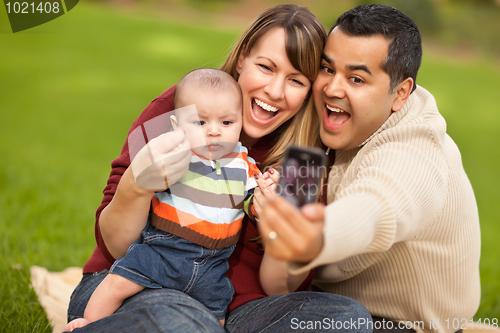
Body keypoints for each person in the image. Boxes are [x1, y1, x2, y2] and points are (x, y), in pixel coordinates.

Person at [66, 4, 372, 333]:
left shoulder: (303, 161)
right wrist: (137, 186)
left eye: (296, 80)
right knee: (185, 324)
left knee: (346, 319)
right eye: (266, 67)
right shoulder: (182, 109)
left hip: (235, 309)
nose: (275, 91)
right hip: (142, 285)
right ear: (242, 58)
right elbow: (113, 246)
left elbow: (278, 289)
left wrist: (277, 232)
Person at [257, 4, 480, 333]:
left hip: (400, 325)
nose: (333, 88)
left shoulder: (415, 152)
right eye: (327, 69)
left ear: (400, 93)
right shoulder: (319, 127)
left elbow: (376, 205)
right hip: (315, 302)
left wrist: (317, 236)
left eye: (356, 78)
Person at [65, 68, 263, 331]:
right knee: (117, 283)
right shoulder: (177, 153)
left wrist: (264, 199)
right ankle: (87, 324)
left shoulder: (244, 164)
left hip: (212, 265)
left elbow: (252, 199)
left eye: (227, 123)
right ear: (177, 126)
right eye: (200, 123)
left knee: (217, 313)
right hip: (164, 251)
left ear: (240, 121)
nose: (214, 132)